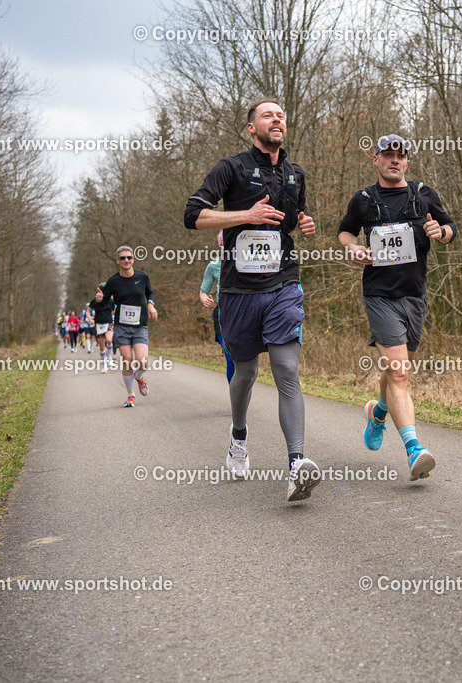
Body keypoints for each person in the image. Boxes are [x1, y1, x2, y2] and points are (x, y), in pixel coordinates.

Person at [184, 98, 321, 502]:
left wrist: (304, 222)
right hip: (238, 291)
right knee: (244, 375)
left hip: (283, 284)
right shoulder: (230, 168)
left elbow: (293, 220)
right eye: (268, 115)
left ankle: (297, 464)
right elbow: (193, 215)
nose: (277, 119)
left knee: (285, 369)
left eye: (281, 115)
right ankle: (238, 435)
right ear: (251, 127)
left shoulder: (296, 174)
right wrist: (244, 216)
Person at [338, 134, 457, 481]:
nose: (394, 160)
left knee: (397, 370)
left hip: (415, 295)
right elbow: (345, 232)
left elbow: (450, 228)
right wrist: (353, 248)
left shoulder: (424, 195)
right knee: (401, 372)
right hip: (380, 295)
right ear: (375, 160)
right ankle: (414, 449)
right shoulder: (363, 200)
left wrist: (441, 232)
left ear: (407, 161)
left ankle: (379, 412)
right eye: (387, 154)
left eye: (400, 155)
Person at [97, 246, 157, 407]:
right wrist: (99, 299)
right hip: (121, 326)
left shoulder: (142, 277)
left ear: (133, 259)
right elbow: (104, 302)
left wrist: (150, 305)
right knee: (127, 360)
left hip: (140, 326)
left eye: (129, 257)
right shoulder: (113, 281)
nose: (126, 260)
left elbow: (149, 293)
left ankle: (139, 377)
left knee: (143, 362)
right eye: (122, 258)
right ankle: (131, 396)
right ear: (117, 260)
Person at [200, 231, 235, 383]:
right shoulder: (213, 266)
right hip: (222, 314)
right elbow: (203, 292)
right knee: (230, 359)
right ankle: (237, 400)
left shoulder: (246, 263)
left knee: (245, 361)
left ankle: (242, 392)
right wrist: (205, 299)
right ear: (220, 245)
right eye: (223, 244)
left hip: (244, 314)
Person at [90, 283, 115, 373]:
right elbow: (88, 311)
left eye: (105, 289)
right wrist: (90, 319)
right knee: (101, 346)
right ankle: (103, 364)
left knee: (109, 340)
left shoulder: (110, 300)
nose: (103, 291)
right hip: (99, 324)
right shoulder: (95, 301)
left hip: (108, 322)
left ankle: (109, 357)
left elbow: (114, 310)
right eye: (102, 289)